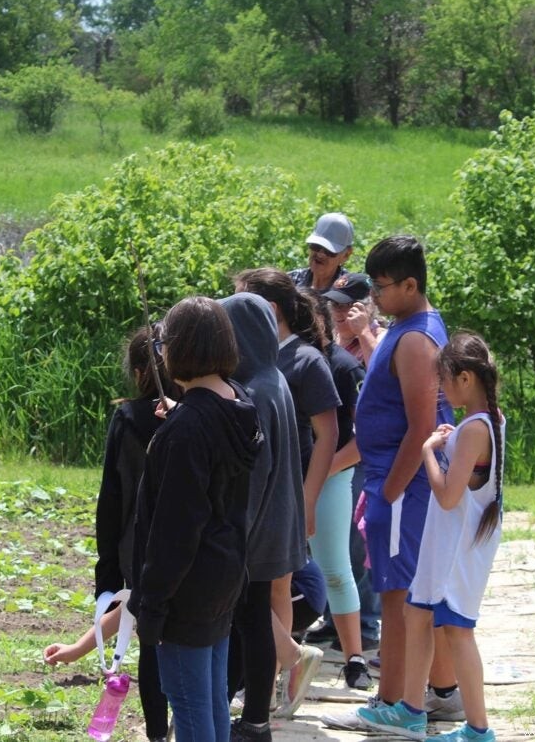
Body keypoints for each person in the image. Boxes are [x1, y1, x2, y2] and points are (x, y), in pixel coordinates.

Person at [322, 236, 456, 731]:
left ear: (410, 284)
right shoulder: (405, 327)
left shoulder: (417, 339)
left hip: (400, 488)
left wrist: (390, 492)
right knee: (405, 594)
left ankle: (396, 706)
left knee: (397, 601)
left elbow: (421, 427)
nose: (374, 297)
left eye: (381, 288)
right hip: (389, 484)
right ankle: (427, 695)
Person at [357, 331, 505, 742]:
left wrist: (427, 451)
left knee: (457, 629)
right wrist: (446, 442)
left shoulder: (475, 428)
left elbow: (446, 496)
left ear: (465, 379)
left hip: (458, 544)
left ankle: (478, 729)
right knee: (416, 612)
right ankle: (410, 709)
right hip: (444, 542)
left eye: (443, 379)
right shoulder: (487, 419)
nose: (440, 387)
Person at [128, 297, 262, 742]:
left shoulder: (186, 431)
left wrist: (153, 605)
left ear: (180, 349)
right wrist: (184, 414)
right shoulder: (240, 404)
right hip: (224, 576)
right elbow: (210, 429)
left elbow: (175, 531)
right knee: (210, 701)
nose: (160, 350)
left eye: (164, 341)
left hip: (185, 589)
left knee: (188, 706)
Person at [46, 325, 176, 742]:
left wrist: (108, 577)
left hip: (140, 547)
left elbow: (112, 501)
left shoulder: (127, 418)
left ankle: (157, 733)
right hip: (194, 545)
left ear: (140, 373)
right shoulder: (201, 412)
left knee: (152, 644)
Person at [233, 269, 340, 716]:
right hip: (275, 491)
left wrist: (309, 498)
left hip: (283, 492)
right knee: (268, 590)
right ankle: (280, 671)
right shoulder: (260, 362)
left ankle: (283, 667)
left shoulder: (304, 361)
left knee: (265, 591)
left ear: (267, 310)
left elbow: (328, 435)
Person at [219, 292, 306, 742]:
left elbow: (255, 476)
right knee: (249, 620)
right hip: (278, 520)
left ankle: (255, 722)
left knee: (252, 623)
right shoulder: (272, 379)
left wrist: (234, 532)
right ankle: (252, 714)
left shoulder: (255, 392)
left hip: (258, 530)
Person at [304, 295, 373, 691]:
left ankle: (354, 659)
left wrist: (318, 473)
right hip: (289, 479)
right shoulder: (287, 361)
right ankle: (284, 656)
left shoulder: (345, 367)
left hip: (332, 477)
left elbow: (364, 440)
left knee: (335, 567)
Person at [288, 212, 355, 293]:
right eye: (316, 246)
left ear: (346, 255)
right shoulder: (291, 281)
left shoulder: (350, 291)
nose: (320, 255)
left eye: (329, 251)